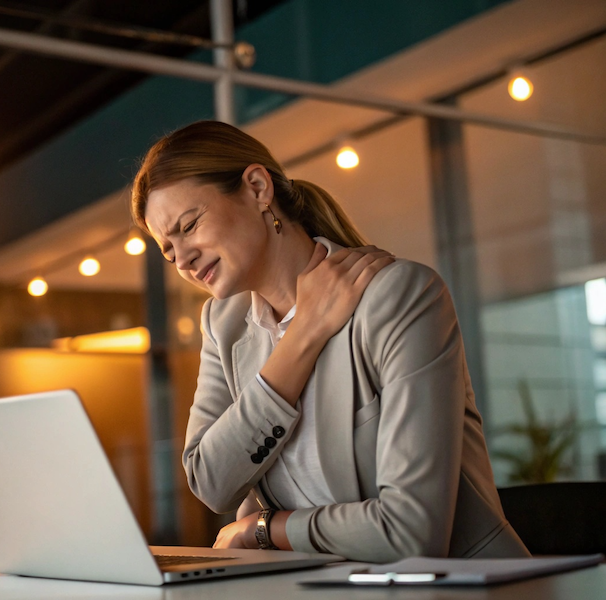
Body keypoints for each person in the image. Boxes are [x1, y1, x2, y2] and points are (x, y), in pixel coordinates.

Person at [131, 120, 529, 562]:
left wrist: (266, 529)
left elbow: (413, 533)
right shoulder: (223, 324)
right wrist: (303, 335)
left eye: (188, 226)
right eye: (167, 249)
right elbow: (211, 482)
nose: (182, 259)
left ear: (258, 188)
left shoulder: (399, 297)